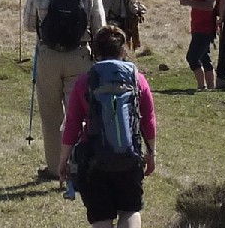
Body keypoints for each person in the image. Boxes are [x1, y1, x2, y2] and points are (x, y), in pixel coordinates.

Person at [22, 0, 106, 181]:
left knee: (50, 115)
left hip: (48, 55)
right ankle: (79, 164)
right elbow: (99, 26)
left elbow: (28, 24)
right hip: (80, 55)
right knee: (79, 112)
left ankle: (54, 168)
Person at [58, 25, 156, 228]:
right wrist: (151, 153)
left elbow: (72, 124)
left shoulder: (85, 82)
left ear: (96, 52)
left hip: (94, 160)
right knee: (130, 210)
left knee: (101, 218)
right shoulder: (137, 79)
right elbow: (148, 120)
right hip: (130, 156)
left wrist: (63, 160)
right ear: (123, 50)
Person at [177, 0, 219, 91]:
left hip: (205, 28)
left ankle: (202, 86)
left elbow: (209, 6)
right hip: (197, 27)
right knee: (205, 58)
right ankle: (210, 87)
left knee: (192, 58)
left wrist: (188, 2)